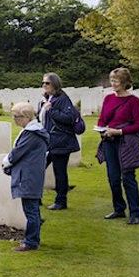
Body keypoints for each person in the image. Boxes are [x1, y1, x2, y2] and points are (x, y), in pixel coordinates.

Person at [96, 68, 139, 225]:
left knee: (128, 177)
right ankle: (119, 209)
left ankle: (135, 212)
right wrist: (102, 130)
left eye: (116, 81)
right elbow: (102, 119)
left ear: (125, 83)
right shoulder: (109, 98)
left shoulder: (133, 101)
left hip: (125, 142)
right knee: (113, 177)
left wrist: (119, 131)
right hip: (109, 141)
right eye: (111, 81)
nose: (113, 84)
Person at [2, 102, 49, 252]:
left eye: (16, 116)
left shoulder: (32, 134)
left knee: (31, 209)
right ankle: (33, 238)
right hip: (31, 173)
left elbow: (18, 151)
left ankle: (31, 242)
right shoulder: (32, 131)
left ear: (26, 117)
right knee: (31, 207)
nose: (14, 119)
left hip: (29, 175)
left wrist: (6, 162)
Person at [37, 73, 81, 210]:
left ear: (55, 84)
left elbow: (69, 118)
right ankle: (36, 197)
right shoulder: (45, 99)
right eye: (43, 83)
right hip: (48, 140)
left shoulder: (63, 99)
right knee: (38, 168)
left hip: (61, 141)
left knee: (59, 171)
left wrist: (51, 111)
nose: (44, 85)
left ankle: (61, 201)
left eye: (47, 83)